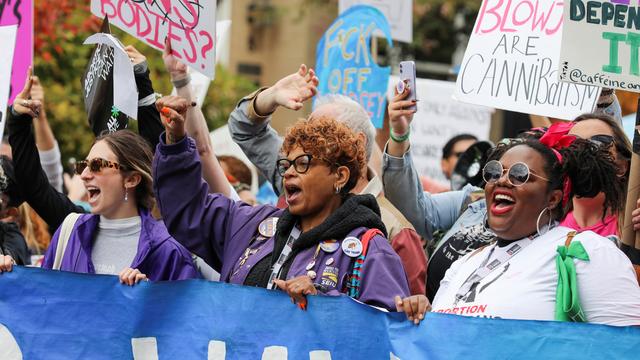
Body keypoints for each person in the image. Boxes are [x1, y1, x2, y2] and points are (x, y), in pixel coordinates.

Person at [155, 97, 410, 310]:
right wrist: (175, 144)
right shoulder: (250, 225)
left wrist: (322, 302)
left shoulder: (371, 250)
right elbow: (188, 211)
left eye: (303, 164)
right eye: (286, 164)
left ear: (340, 176)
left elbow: (384, 335)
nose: (288, 173)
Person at [396, 138, 640, 326]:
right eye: (494, 172)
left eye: (520, 175)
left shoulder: (585, 251)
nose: (501, 181)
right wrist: (422, 316)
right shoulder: (465, 264)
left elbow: (623, 344)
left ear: (553, 198)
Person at [227, 65, 427, 295]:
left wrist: (323, 303)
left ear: (357, 144)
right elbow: (245, 130)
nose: (303, 142)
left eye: (322, 135)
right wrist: (270, 97)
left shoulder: (395, 232)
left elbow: (399, 319)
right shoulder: (295, 174)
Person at [10, 72, 199, 284]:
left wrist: (148, 299)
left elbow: (183, 314)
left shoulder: (167, 249)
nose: (84, 175)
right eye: (83, 165)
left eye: (97, 166)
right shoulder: (71, 231)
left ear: (132, 179)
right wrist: (18, 121)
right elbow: (45, 303)